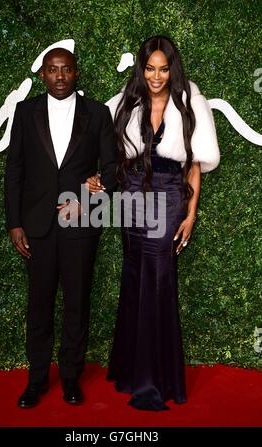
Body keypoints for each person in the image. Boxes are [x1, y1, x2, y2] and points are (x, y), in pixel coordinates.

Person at [86, 35, 219, 411]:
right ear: (141, 69)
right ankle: (129, 371)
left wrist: (190, 216)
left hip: (168, 197)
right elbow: (110, 155)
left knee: (159, 282)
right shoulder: (125, 102)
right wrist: (98, 178)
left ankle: (154, 381)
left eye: (163, 69)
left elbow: (195, 164)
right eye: (149, 68)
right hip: (130, 199)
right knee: (133, 279)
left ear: (171, 68)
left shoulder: (190, 100)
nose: (156, 76)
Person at [4, 47, 117, 408]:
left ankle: (71, 378)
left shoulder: (98, 114)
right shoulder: (24, 112)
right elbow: (15, 171)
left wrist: (96, 185)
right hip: (35, 227)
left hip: (80, 223)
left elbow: (112, 168)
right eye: (52, 70)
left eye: (66, 69)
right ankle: (36, 380)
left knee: (76, 305)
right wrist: (15, 224)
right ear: (43, 74)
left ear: (76, 72)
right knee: (38, 307)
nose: (60, 76)